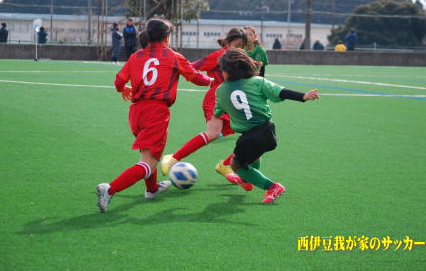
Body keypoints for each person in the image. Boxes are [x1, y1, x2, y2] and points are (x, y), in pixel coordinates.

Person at [96, 17, 214, 213]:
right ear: (166, 37)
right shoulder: (173, 56)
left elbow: (118, 82)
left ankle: (152, 189)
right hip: (156, 112)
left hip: (136, 113)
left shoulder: (136, 56)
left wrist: (124, 89)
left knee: (148, 153)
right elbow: (197, 78)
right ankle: (110, 189)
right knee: (148, 162)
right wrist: (213, 81)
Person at [214, 49, 319, 203]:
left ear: (227, 72)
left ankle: (272, 187)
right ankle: (247, 179)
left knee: (235, 165)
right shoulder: (258, 81)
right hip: (268, 130)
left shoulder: (221, 90)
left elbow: (218, 110)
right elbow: (280, 91)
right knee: (254, 155)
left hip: (250, 136)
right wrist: (303, 96)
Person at [160, 28, 247, 178]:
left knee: (253, 135)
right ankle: (173, 158)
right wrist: (207, 80)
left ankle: (226, 165)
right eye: (237, 45)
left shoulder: (240, 58)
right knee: (213, 133)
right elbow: (191, 67)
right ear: (227, 43)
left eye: (243, 47)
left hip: (233, 101)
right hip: (217, 98)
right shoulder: (220, 56)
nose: (240, 50)